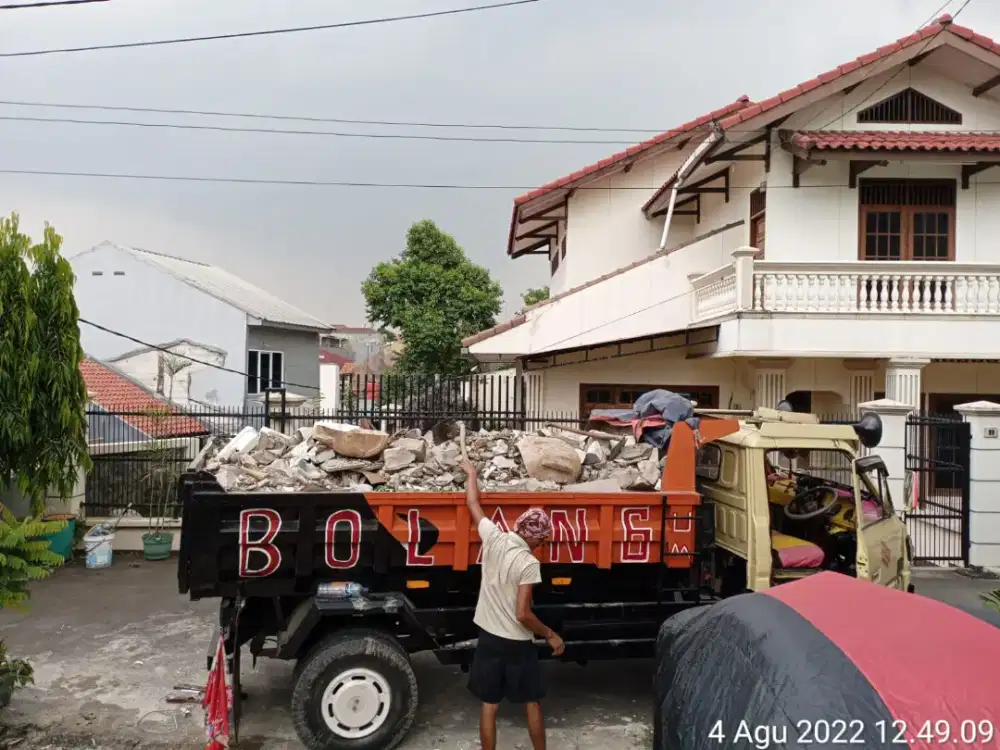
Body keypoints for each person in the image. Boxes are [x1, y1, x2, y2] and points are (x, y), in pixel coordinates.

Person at [460, 457, 564, 750]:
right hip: (518, 644)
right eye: (542, 541)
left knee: (489, 706)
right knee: (531, 702)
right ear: (535, 539)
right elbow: (522, 614)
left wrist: (472, 473)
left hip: (489, 638)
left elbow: (472, 504)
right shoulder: (529, 563)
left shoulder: (493, 537)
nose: (542, 546)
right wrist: (550, 634)